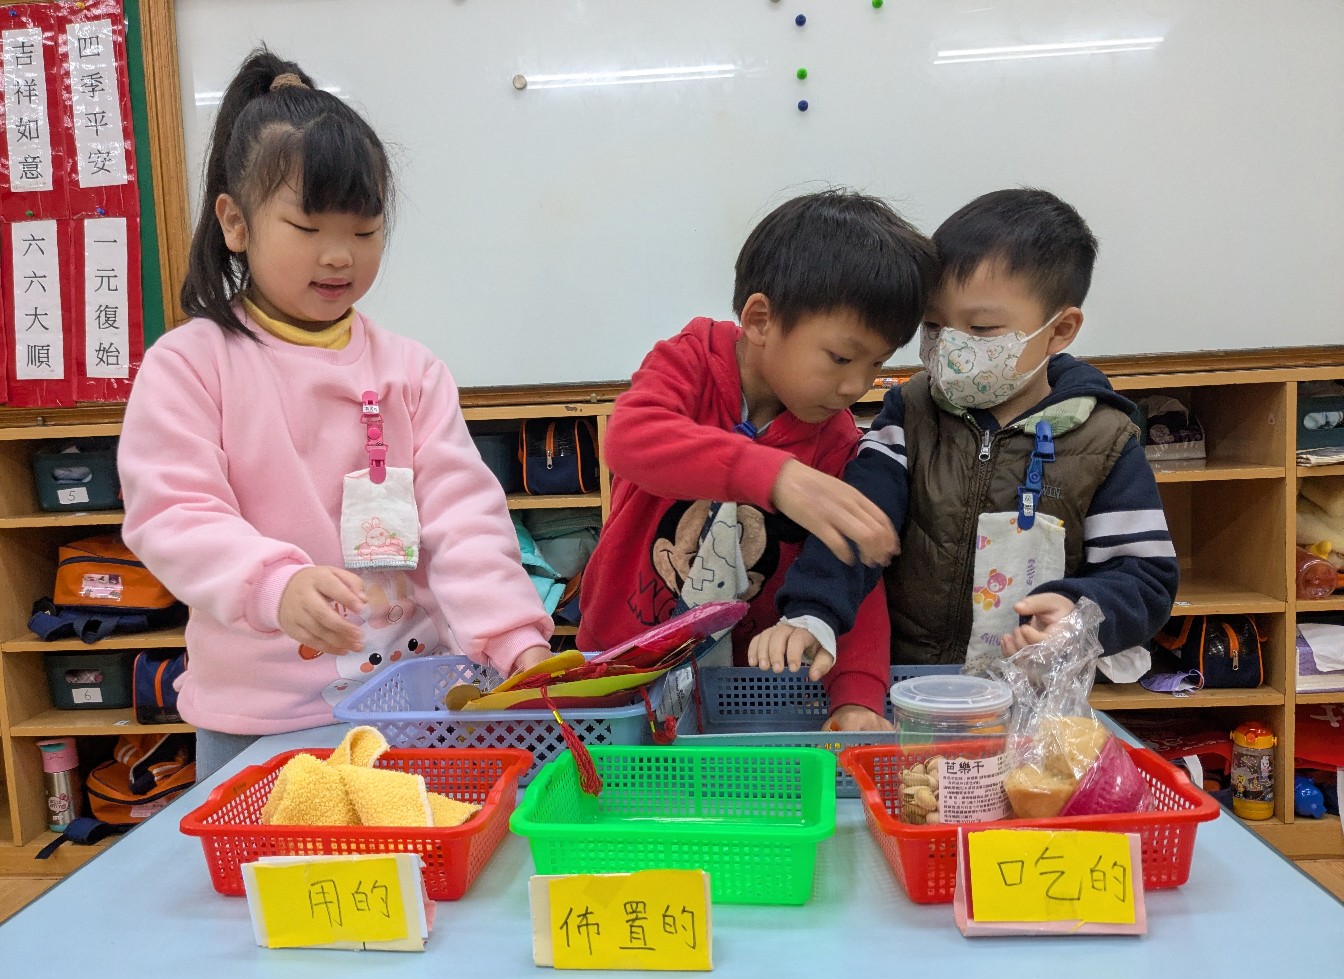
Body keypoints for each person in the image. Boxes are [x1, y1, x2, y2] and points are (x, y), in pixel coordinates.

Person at [119, 49, 553, 778]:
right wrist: (272, 584)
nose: (339, 257)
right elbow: (174, 513)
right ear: (235, 222)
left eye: (364, 231)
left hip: (412, 707)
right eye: (308, 227)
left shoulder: (412, 372)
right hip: (263, 720)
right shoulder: (190, 364)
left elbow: (464, 521)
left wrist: (514, 639)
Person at [750, 187, 1178, 680]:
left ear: (1059, 330)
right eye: (934, 326)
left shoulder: (1104, 439)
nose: (952, 347)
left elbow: (1144, 578)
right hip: (908, 685)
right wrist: (814, 610)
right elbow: (855, 522)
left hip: (1027, 693)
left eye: (982, 329)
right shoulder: (908, 416)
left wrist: (1077, 612)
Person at [575, 189, 938, 730]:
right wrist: (775, 477)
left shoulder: (836, 438)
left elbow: (850, 570)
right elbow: (630, 438)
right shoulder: (692, 359)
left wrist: (857, 696)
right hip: (622, 666)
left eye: (877, 364)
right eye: (841, 357)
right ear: (761, 319)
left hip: (743, 691)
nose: (856, 386)